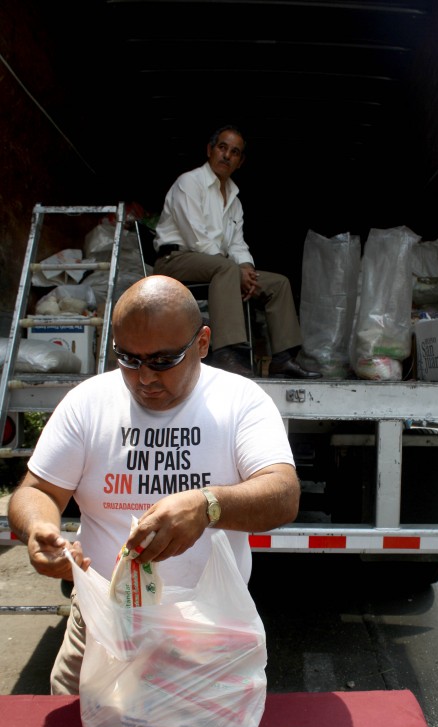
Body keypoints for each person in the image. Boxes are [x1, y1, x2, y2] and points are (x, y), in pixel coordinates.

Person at [8, 275, 301, 695]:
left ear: (202, 343)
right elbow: (36, 491)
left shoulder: (240, 402)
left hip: (208, 630)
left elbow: (283, 493)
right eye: (127, 359)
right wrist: (39, 529)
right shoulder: (89, 403)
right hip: (101, 628)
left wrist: (207, 506)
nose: (144, 377)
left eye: (163, 361)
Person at [152, 124, 321, 379]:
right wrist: (234, 270)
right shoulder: (190, 182)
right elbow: (197, 239)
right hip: (175, 260)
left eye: (234, 152)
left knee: (278, 283)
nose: (227, 155)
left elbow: (237, 244)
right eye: (222, 147)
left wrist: (247, 269)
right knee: (226, 268)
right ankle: (228, 354)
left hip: (218, 267)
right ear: (209, 150)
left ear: (240, 162)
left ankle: (283, 358)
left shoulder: (234, 198)